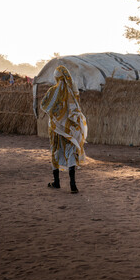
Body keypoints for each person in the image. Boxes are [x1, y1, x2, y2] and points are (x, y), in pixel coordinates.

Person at [41, 65, 87, 194]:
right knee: (70, 152)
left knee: (56, 151)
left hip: (56, 128)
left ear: (56, 77)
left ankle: (57, 182)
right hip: (71, 128)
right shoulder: (73, 91)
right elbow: (76, 109)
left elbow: (44, 105)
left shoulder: (52, 91)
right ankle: (73, 184)